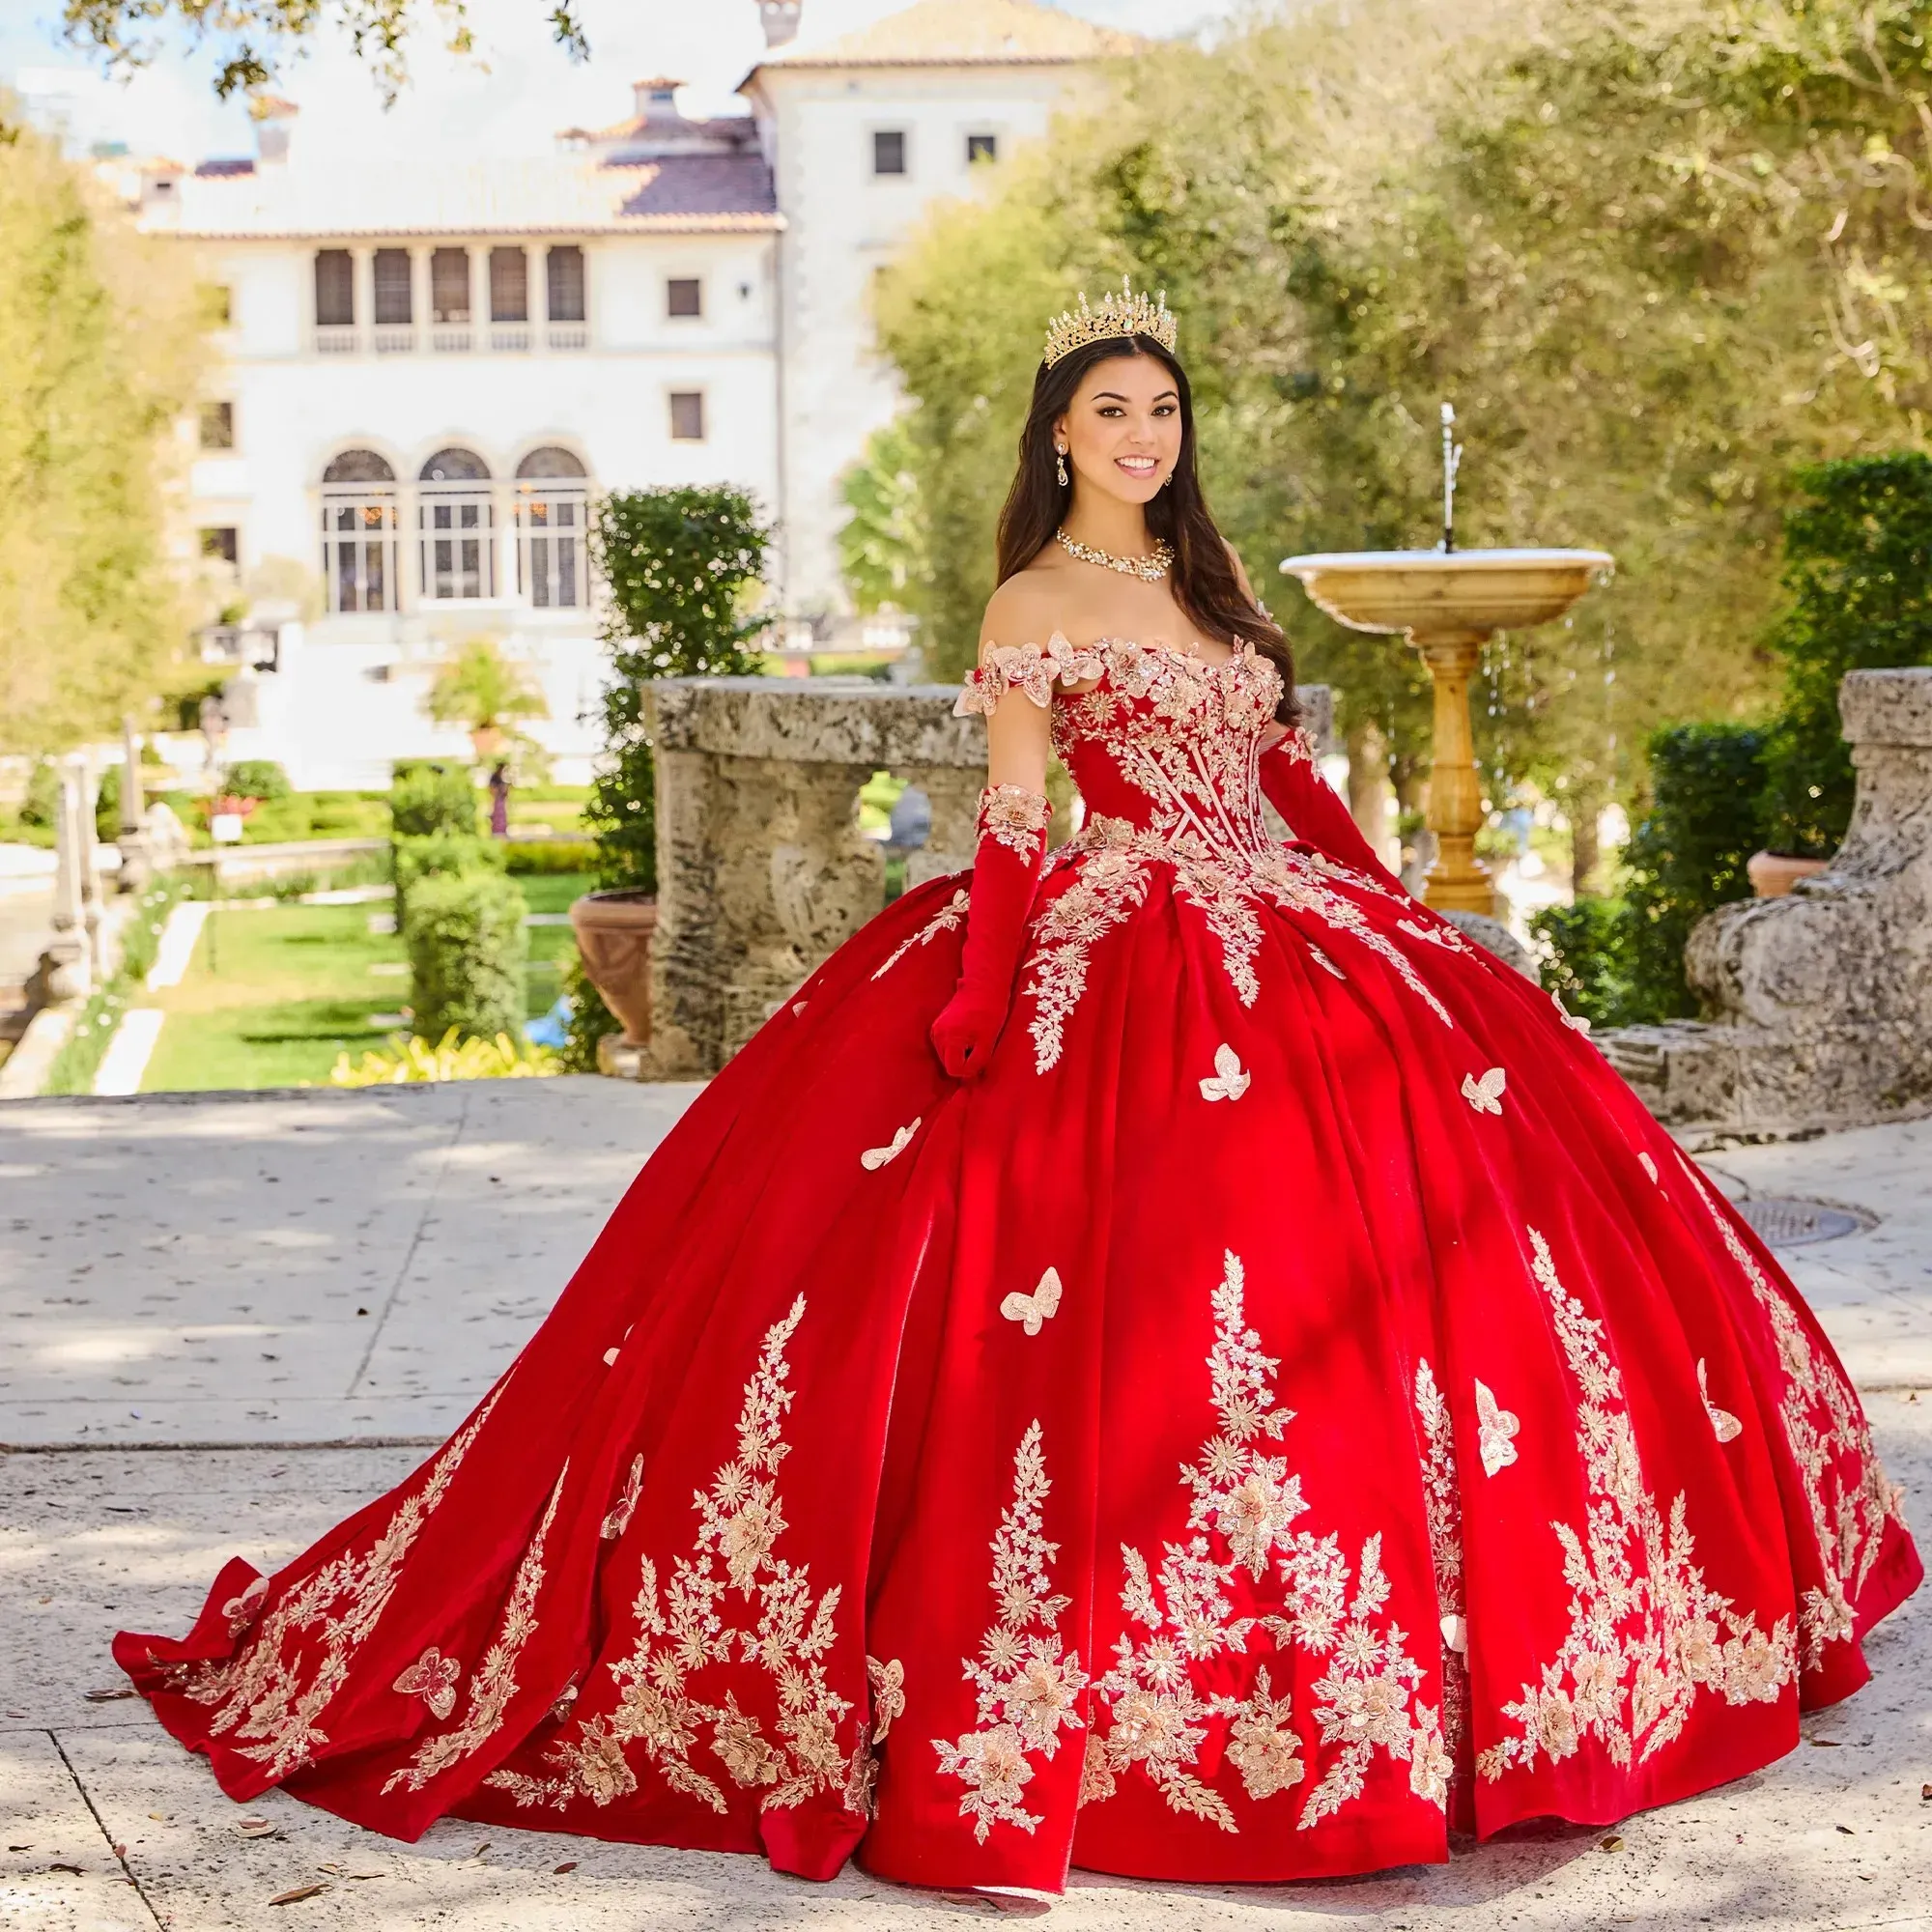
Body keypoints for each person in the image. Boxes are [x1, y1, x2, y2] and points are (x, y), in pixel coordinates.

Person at [116, 281, 1918, 1895]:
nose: (1146, 436)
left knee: (1466, 1264)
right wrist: (981, 1001)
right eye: (1115, 410)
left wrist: (1392, 915)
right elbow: (1013, 825)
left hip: (1301, 934)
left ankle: (1515, 1672)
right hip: (1118, 940)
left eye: (1166, 411)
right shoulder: (1034, 598)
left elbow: (1287, 795)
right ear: (1061, 429)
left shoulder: (1209, 586)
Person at [488, 760, 511, 838]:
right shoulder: (495, 777)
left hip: (501, 799)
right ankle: (497, 832)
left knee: (502, 816)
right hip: (497, 799)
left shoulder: (501, 777)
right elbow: (492, 789)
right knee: (497, 816)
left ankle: (501, 831)